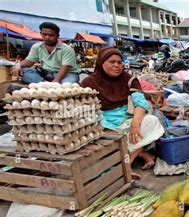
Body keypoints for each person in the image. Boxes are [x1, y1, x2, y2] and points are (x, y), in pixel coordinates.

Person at [81, 47, 164, 177]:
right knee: (111, 141)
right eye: (112, 62)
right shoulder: (89, 82)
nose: (117, 65)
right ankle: (141, 154)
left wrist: (135, 124)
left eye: (119, 62)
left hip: (125, 119)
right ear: (101, 62)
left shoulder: (127, 78)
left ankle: (127, 165)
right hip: (103, 122)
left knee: (152, 121)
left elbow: (140, 103)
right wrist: (105, 126)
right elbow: (84, 109)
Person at [12, 22, 80, 84]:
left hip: (67, 74)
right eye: (44, 34)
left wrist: (55, 82)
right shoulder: (37, 47)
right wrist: (18, 66)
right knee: (25, 72)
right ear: (41, 34)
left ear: (57, 36)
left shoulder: (67, 49)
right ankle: (45, 84)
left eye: (51, 35)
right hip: (46, 73)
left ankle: (45, 85)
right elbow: (29, 61)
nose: (47, 37)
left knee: (68, 84)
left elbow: (65, 68)